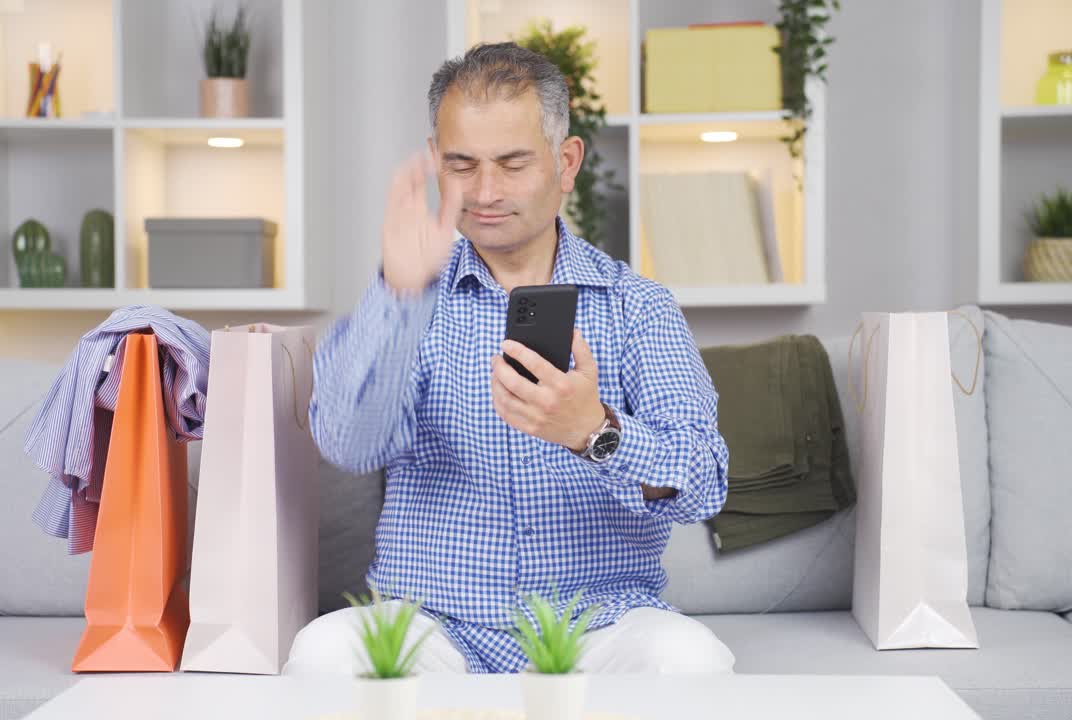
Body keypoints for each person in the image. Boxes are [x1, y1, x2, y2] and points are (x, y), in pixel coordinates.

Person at [284, 42, 734, 675]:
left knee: (692, 662)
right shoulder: (410, 297)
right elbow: (348, 443)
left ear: (566, 161)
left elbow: (704, 482)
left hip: (596, 625)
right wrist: (398, 296)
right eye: (462, 164)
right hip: (431, 626)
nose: (485, 191)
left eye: (513, 163)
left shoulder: (639, 309)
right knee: (322, 655)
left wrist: (595, 433)